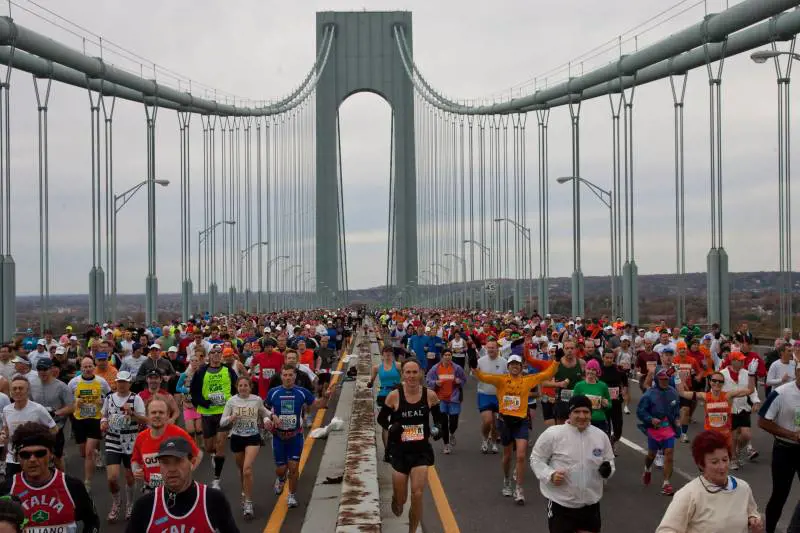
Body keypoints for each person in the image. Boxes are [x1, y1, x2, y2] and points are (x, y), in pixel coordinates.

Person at [474, 354, 558, 504]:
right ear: (508, 366)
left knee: (520, 456)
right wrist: (474, 367)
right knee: (507, 457)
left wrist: (556, 361)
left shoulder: (527, 380)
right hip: (505, 422)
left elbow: (547, 374)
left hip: (521, 422)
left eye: (517, 364)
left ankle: (519, 489)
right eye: (512, 364)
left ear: (521, 367)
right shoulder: (501, 380)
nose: (514, 366)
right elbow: (483, 376)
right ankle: (507, 480)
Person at [530, 395, 615, 533]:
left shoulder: (600, 436)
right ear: (569, 414)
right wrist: (550, 474)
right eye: (577, 412)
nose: (582, 416)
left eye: (586, 412)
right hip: (561, 504)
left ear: (591, 414)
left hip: (590, 504)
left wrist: (608, 470)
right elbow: (536, 459)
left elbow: (609, 461)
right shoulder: (553, 434)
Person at [377, 359, 443, 533]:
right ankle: (396, 498)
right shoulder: (394, 395)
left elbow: (438, 419)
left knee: (418, 494)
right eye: (408, 372)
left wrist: (438, 430)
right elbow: (381, 419)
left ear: (421, 374)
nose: (412, 376)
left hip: (421, 452)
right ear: (402, 375)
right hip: (399, 452)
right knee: (401, 501)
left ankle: (412, 531)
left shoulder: (430, 395)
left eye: (415, 372)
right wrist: (392, 427)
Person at [0, 422, 99, 533]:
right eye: (25, 455)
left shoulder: (72, 486)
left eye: (40, 453)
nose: (32, 459)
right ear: (17, 457)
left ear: (51, 454)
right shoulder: (7, 489)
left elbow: (92, 522)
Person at [127, 436, 239, 533]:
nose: (172, 469)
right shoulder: (144, 506)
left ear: (192, 462)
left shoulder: (214, 500)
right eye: (165, 462)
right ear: (160, 466)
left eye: (178, 461)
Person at [656, 430, 762, 532]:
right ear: (701, 465)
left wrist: (754, 520)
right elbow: (666, 530)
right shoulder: (689, 494)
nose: (722, 466)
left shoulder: (743, 488)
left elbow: (752, 513)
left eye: (725, 460)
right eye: (714, 462)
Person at [265, 364, 316, 509]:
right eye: (285, 375)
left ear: (295, 376)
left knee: (293, 468)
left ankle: (292, 495)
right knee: (281, 469)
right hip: (278, 437)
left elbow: (317, 403)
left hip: (295, 436)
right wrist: (268, 420)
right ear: (281, 376)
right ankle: (281, 478)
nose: (288, 378)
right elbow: (264, 410)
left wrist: (326, 396)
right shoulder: (273, 393)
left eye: (290, 375)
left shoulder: (302, 392)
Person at [220, 376, 271, 519]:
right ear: (237, 387)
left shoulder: (256, 400)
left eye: (246, 385)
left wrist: (270, 417)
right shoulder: (231, 401)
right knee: (242, 470)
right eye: (240, 385)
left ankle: (248, 502)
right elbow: (222, 421)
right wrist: (230, 419)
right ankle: (244, 492)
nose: (243, 388)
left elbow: (264, 412)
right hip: (236, 438)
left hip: (253, 437)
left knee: (247, 469)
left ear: (250, 387)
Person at [758, 364, 800, 533]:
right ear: (797, 372)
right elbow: (762, 421)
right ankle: (769, 530)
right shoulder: (781, 393)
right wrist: (792, 435)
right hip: (785, 449)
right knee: (780, 496)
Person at [101, 370, 147, 522]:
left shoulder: (136, 398)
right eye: (119, 382)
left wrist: (133, 414)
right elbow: (104, 415)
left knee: (129, 477)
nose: (121, 385)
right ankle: (116, 502)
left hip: (131, 441)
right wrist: (103, 423)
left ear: (130, 383)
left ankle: (130, 503)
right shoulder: (109, 398)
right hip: (112, 440)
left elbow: (144, 419)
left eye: (124, 382)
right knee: (112, 478)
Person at [190, 345, 237, 490]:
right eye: (213, 352)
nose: (216, 355)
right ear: (208, 356)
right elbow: (194, 391)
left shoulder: (228, 370)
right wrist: (203, 402)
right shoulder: (201, 371)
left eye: (219, 352)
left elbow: (237, 388)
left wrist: (236, 404)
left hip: (224, 413)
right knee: (209, 447)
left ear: (221, 356)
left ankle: (216, 479)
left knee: (220, 445)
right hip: (207, 413)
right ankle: (213, 455)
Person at [131, 398, 202, 492]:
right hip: (151, 489)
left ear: (168, 415)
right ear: (147, 415)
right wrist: (136, 471)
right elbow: (135, 460)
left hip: (175, 488)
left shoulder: (178, 433)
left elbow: (198, 454)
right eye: (153, 412)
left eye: (161, 412)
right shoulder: (141, 437)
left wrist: (187, 472)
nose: (157, 415)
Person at [68, 356, 111, 490]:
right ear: (80, 369)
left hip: (95, 419)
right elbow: (68, 400)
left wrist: (102, 401)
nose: (87, 369)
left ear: (94, 367)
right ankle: (96, 453)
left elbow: (110, 397)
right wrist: (76, 403)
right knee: (83, 452)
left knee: (88, 453)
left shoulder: (101, 381)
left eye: (89, 366)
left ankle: (87, 482)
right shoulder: (74, 382)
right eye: (85, 367)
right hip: (79, 420)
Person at [0, 377, 56, 478]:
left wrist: (42, 444)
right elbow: (6, 428)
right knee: (12, 488)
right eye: (14, 388)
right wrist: (3, 434)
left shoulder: (38, 409)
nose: (17, 391)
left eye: (21, 388)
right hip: (13, 457)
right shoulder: (6, 410)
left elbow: (54, 429)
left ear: (27, 390)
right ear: (11, 391)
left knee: (35, 486)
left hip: (33, 458)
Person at [638, 368, 681, 496]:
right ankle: (647, 469)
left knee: (669, 453)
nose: (664, 381)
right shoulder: (649, 394)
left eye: (666, 379)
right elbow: (640, 412)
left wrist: (677, 419)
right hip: (654, 429)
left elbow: (676, 409)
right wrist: (651, 419)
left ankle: (666, 483)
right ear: (656, 380)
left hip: (668, 429)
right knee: (652, 454)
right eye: (662, 379)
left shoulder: (673, 392)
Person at [425, 348, 468, 455]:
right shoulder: (435, 368)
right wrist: (435, 382)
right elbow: (428, 380)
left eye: (449, 355)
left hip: (454, 399)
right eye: (446, 355)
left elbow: (464, 379)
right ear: (442, 356)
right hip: (441, 399)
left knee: (453, 423)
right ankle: (446, 445)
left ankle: (452, 433)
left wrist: (459, 381)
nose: (448, 357)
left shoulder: (457, 368)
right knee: (444, 423)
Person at [369, 345, 401, 461]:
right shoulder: (377, 368)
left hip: (396, 396)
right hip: (382, 397)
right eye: (385, 353)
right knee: (384, 424)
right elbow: (371, 380)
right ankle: (387, 451)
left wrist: (400, 385)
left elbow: (406, 378)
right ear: (382, 355)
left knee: (396, 422)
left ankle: (396, 448)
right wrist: (370, 383)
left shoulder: (398, 366)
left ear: (392, 355)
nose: (387, 355)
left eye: (389, 353)